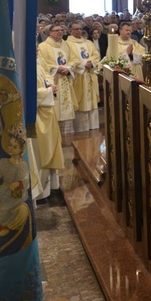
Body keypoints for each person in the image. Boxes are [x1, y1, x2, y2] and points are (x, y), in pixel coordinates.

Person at [38, 24, 79, 137]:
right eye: (56, 31)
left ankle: (67, 133)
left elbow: (74, 59)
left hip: (66, 78)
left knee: (66, 105)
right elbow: (43, 63)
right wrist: (57, 68)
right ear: (50, 33)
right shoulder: (43, 46)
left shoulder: (66, 44)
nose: (60, 32)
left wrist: (69, 68)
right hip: (54, 80)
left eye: (61, 30)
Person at [32, 58, 64, 202]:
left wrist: (50, 85)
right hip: (37, 116)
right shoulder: (21, 63)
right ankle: (40, 193)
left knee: (48, 148)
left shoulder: (36, 63)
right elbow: (29, 93)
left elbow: (45, 76)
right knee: (40, 151)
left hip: (46, 112)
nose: (37, 48)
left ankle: (48, 188)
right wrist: (49, 90)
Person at [66, 22, 101, 131]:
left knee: (91, 100)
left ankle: (93, 126)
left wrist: (91, 62)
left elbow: (96, 55)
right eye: (76, 29)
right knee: (80, 100)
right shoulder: (67, 44)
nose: (79, 31)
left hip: (90, 74)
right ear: (70, 31)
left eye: (80, 29)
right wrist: (82, 64)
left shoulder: (89, 43)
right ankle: (81, 128)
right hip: (78, 75)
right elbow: (70, 58)